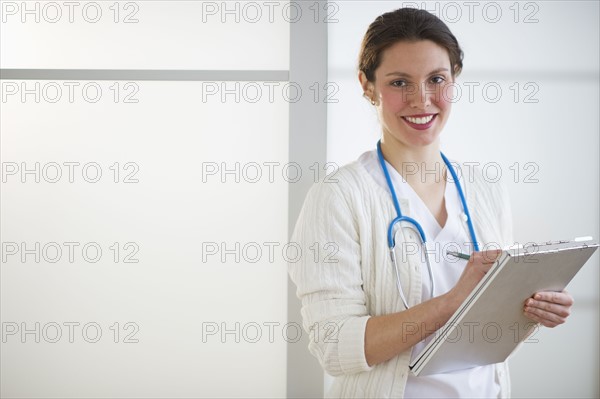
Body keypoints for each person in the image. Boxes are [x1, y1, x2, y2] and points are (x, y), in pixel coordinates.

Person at [287, 7, 574, 398]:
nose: (422, 100)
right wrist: (453, 301)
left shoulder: (483, 189)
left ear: (454, 80)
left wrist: (531, 308)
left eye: (436, 79)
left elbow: (488, 328)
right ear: (367, 86)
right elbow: (334, 345)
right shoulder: (339, 198)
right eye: (399, 82)